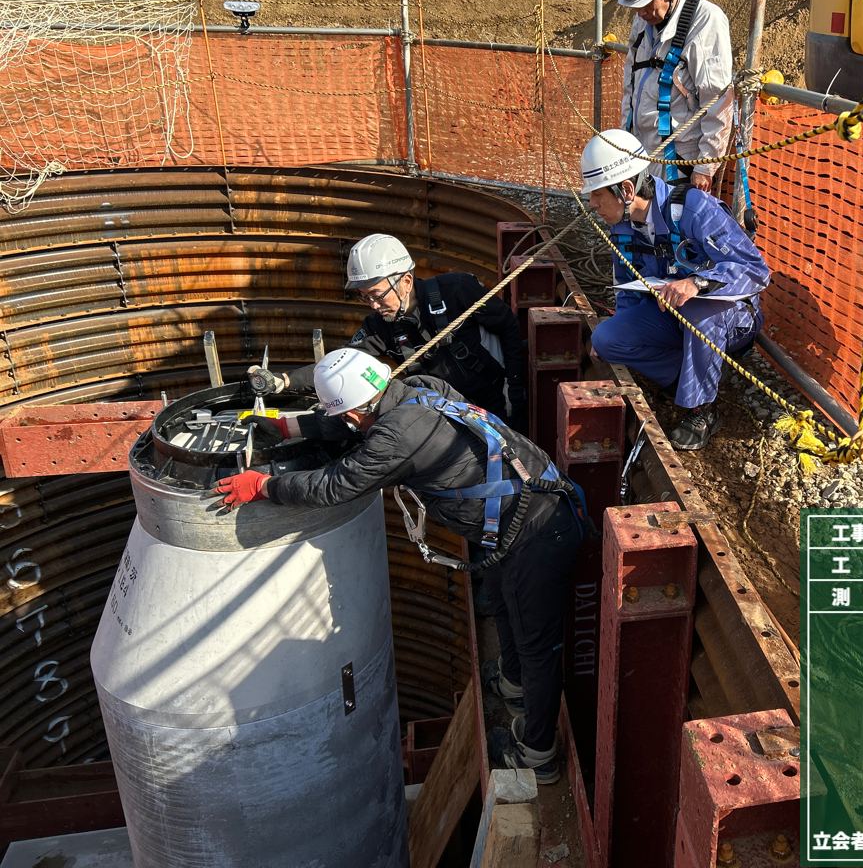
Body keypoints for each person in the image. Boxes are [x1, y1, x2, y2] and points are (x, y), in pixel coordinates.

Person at [215, 349, 582, 785]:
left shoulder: (394, 439)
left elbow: (335, 485)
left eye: (346, 416)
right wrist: (286, 426)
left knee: (536, 646)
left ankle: (538, 755)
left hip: (537, 535)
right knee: (501, 602)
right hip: (528, 511)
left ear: (354, 413)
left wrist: (264, 485)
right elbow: (349, 422)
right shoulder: (421, 389)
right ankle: (512, 685)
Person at [582, 129, 769, 450]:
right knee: (606, 338)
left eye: (598, 194)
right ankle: (688, 377)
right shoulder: (623, 230)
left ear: (626, 189)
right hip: (673, 317)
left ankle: (702, 409)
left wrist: (697, 283)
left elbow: (755, 270)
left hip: (731, 320)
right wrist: (623, 331)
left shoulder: (694, 209)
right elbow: (629, 292)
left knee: (699, 311)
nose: (592, 204)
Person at [249, 233, 529, 432]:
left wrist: (515, 392)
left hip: (497, 402)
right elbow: (341, 365)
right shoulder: (380, 327)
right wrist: (283, 381)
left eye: (377, 294)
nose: (373, 304)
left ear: (405, 281)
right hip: (451, 417)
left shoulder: (457, 290)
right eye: (364, 297)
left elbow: (509, 328)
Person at [617, 0, 733, 191]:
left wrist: (705, 166)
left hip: (677, 166)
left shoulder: (705, 22)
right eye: (636, 7)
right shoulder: (643, 20)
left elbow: (718, 101)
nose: (641, 13)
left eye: (647, 5)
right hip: (640, 156)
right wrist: (625, 143)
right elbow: (630, 86)